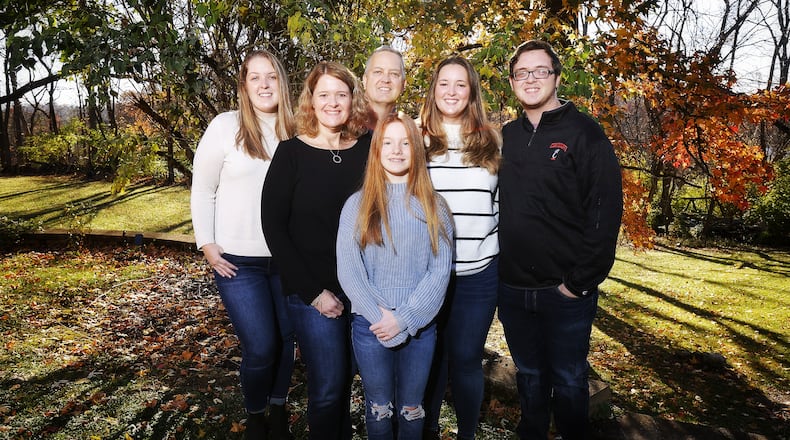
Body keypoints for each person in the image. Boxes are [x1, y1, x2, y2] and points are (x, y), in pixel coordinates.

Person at [497, 40, 623, 440]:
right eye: (522, 72)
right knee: (530, 378)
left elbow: (605, 213)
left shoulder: (585, 133)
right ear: (513, 81)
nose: (530, 79)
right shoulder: (506, 136)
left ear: (556, 76)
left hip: (565, 291)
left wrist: (578, 282)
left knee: (569, 380)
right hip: (513, 289)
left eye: (540, 71)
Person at [190, 49, 297, 440]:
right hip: (238, 262)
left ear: (282, 83)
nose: (265, 85)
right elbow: (203, 189)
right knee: (261, 345)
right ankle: (255, 414)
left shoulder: (298, 128)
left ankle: (279, 407)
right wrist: (207, 244)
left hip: (288, 260)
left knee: (286, 341)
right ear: (244, 85)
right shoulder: (225, 126)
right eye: (255, 78)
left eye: (271, 77)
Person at [261, 61, 370, 440]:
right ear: (311, 100)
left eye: (341, 94)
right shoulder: (291, 153)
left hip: (363, 290)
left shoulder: (368, 149)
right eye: (324, 94)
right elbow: (274, 229)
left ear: (352, 99)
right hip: (312, 293)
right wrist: (313, 294)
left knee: (351, 381)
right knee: (327, 388)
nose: (333, 102)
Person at [337, 114, 454, 440]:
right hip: (370, 325)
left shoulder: (435, 206)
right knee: (379, 408)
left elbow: (439, 271)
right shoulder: (357, 205)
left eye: (405, 143)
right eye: (387, 142)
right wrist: (380, 317)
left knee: (412, 410)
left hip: (420, 327)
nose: (396, 150)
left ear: (416, 150)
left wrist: (403, 319)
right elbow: (349, 270)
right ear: (376, 151)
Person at [420, 56, 502, 440]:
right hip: (428, 274)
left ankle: (467, 434)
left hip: (479, 274)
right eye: (444, 84)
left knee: (467, 360)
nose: (451, 92)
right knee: (433, 360)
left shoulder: (492, 142)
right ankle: (430, 431)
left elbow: (501, 207)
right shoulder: (418, 141)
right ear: (433, 91)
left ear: (471, 92)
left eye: (460, 85)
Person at [362, 45, 406, 130]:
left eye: (394, 74)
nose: (386, 80)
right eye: (378, 72)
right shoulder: (342, 127)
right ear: (365, 80)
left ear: (403, 84)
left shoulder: (409, 133)